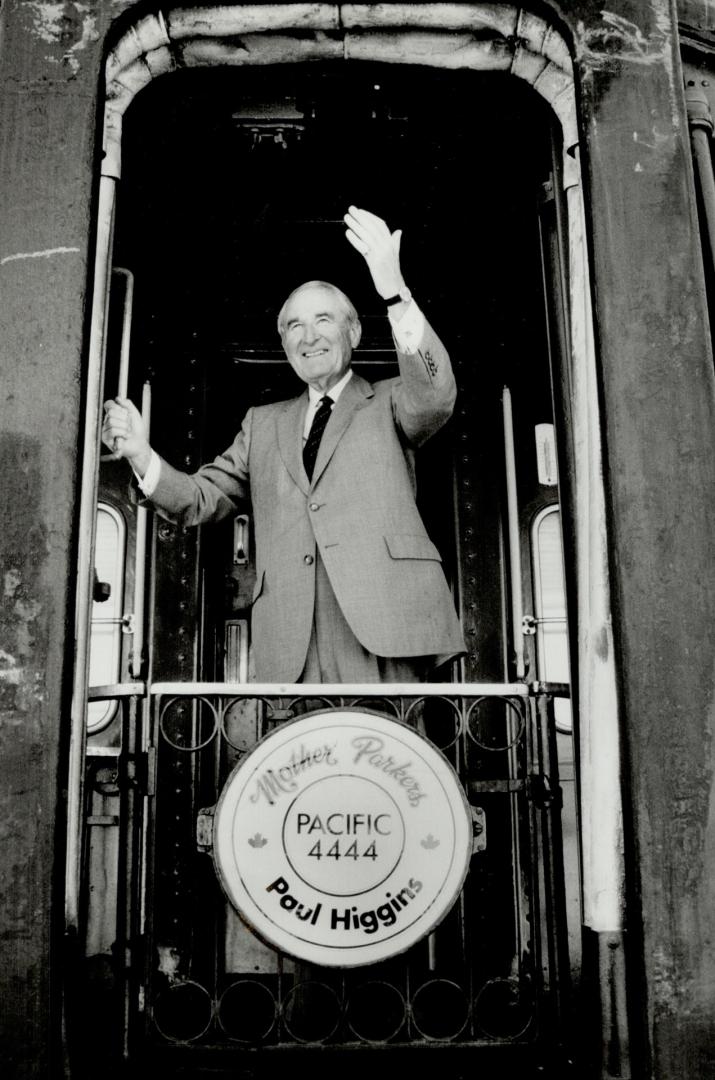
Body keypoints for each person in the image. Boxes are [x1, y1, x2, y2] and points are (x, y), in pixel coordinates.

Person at [102, 206, 465, 683]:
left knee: (386, 756)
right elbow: (199, 499)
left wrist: (395, 294)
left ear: (354, 332)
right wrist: (140, 454)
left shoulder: (391, 400)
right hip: (289, 642)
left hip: (385, 628)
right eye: (294, 326)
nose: (309, 336)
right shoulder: (262, 424)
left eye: (323, 321)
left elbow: (435, 395)